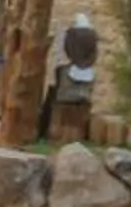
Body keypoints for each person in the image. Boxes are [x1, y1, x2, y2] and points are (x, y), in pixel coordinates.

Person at [42, 12, 100, 144]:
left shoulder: (72, 36)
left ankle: (64, 136)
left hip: (72, 88)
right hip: (76, 91)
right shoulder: (92, 36)